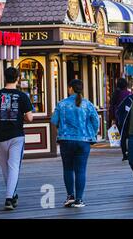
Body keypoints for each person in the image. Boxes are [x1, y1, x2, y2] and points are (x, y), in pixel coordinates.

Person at [0, 67, 34, 210]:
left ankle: (12, 195)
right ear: (18, 78)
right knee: (14, 167)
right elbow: (30, 118)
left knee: (5, 168)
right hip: (16, 136)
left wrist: (1, 116)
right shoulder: (22, 96)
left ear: (4, 78)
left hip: (0, 136)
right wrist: (21, 116)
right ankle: (9, 198)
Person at [51, 79, 99, 208]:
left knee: (67, 169)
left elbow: (54, 120)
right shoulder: (88, 104)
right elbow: (96, 121)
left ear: (70, 88)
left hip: (66, 140)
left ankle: (70, 197)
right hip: (83, 141)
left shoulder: (62, 104)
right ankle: (79, 199)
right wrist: (92, 133)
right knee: (80, 170)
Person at [109, 78, 131, 161]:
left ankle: (124, 153)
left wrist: (112, 118)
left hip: (119, 118)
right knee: (130, 136)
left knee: (123, 136)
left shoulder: (115, 94)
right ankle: (130, 151)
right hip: (129, 117)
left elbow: (111, 107)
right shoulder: (129, 94)